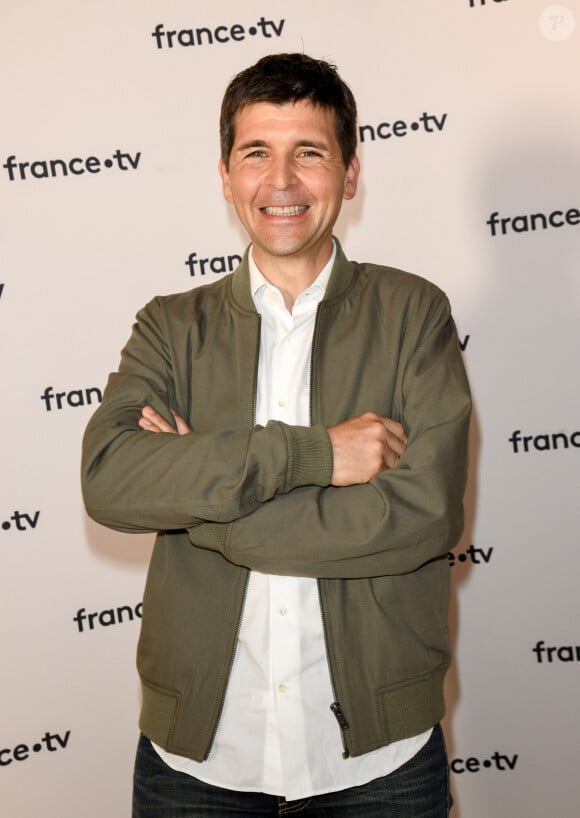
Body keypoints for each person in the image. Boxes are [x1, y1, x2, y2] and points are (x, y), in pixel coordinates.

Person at [81, 52, 471, 817]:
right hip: (199, 760)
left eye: (310, 153)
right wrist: (316, 453)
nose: (282, 181)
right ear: (225, 176)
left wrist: (207, 509)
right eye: (256, 153)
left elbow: (420, 516)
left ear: (350, 173)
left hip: (381, 766)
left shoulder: (414, 314)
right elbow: (111, 479)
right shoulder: (169, 326)